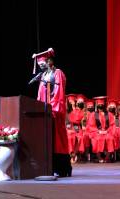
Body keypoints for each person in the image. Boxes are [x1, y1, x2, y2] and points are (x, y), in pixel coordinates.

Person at [33, 48, 72, 177]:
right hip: (46, 113)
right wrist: (38, 108)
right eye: (39, 65)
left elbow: (59, 93)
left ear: (49, 61)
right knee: (48, 140)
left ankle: (61, 168)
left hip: (55, 113)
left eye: (42, 63)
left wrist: (52, 109)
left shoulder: (57, 73)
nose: (41, 66)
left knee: (57, 140)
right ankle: (48, 167)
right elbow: (40, 95)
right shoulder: (43, 75)